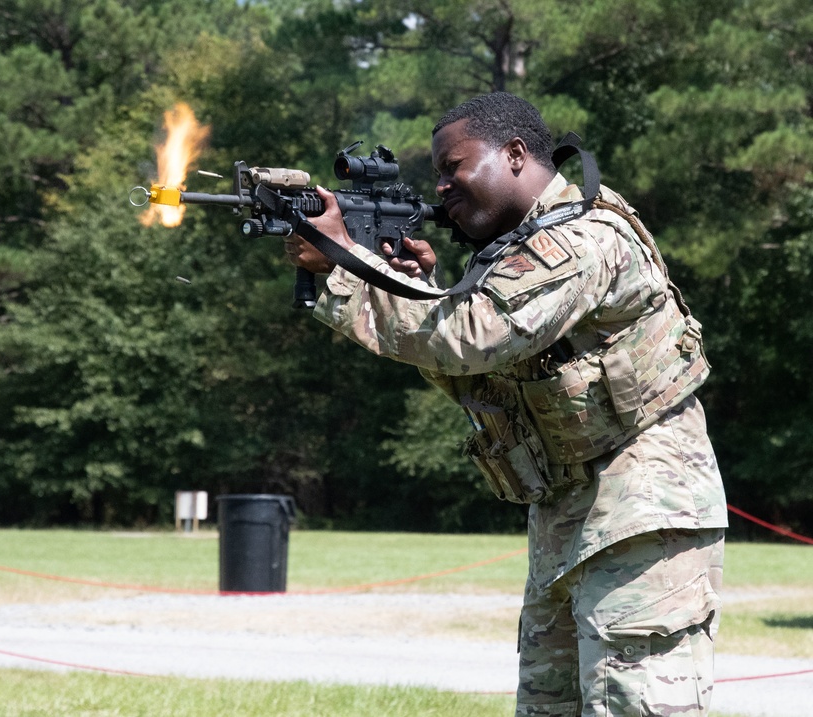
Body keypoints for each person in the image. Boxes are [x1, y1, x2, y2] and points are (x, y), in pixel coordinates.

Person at [284, 92, 727, 717]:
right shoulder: (519, 254)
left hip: (642, 518)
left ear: (515, 154)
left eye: (454, 168)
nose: (440, 188)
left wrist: (345, 265)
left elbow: (474, 336)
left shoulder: (583, 238)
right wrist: (417, 289)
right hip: (569, 514)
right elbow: (483, 380)